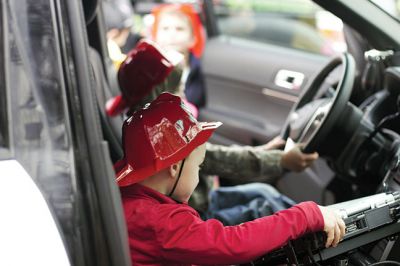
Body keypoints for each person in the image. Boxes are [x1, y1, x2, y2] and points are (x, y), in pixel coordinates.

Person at [117, 92, 345, 265]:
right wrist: (305, 215)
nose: (199, 172)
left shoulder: (128, 195)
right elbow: (233, 244)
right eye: (199, 166)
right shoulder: (161, 224)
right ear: (174, 168)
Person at [106, 40, 320, 224]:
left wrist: (265, 150)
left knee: (265, 193)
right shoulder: (161, 137)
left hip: (207, 197)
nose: (184, 94)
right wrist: (280, 161)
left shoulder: (145, 126)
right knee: (264, 208)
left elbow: (212, 153)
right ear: (156, 96)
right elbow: (219, 159)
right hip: (197, 214)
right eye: (178, 88)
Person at [151, 3, 207, 108]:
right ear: (155, 36)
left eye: (179, 29)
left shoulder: (196, 68)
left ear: (193, 39)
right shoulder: (150, 67)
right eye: (165, 28)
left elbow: (198, 100)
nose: (172, 34)